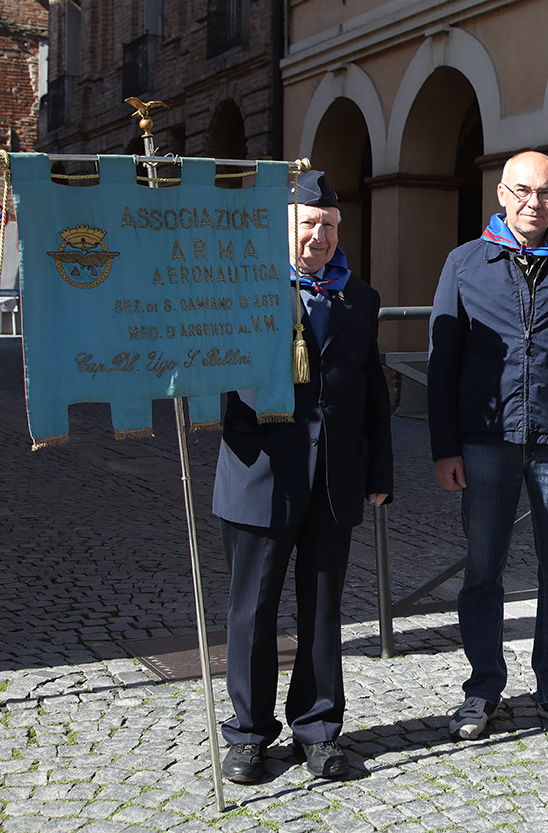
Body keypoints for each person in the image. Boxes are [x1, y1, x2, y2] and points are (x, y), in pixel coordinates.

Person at [213, 170, 393, 783]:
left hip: (334, 477)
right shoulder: (244, 288)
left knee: (322, 610)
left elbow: (373, 391)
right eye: (308, 224)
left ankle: (318, 729)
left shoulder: (359, 298)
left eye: (330, 225)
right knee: (254, 609)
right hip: (260, 472)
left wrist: (380, 471)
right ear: (282, 228)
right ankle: (248, 735)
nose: (320, 235)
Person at [427, 150, 548, 741]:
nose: (536, 202)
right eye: (525, 191)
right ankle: (482, 687)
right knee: (483, 571)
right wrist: (444, 446)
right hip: (486, 444)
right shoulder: (464, 263)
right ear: (503, 195)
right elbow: (442, 363)